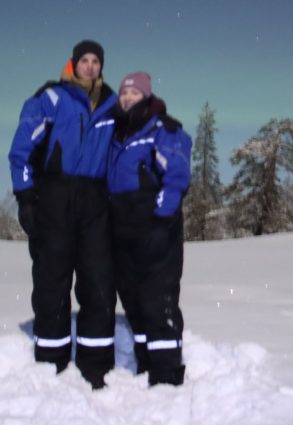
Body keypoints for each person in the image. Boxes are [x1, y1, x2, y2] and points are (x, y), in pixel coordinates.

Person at [8, 39, 117, 389]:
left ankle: (95, 364)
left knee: (98, 280)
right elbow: (21, 151)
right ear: (73, 64)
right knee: (52, 279)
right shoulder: (51, 98)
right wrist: (25, 197)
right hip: (55, 196)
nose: (89, 66)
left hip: (95, 201)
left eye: (95, 61)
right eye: (83, 60)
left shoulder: (112, 104)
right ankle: (51, 361)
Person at [107, 71, 192, 386]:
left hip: (155, 229)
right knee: (134, 301)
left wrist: (161, 217)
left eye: (134, 93)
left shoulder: (162, 128)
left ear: (146, 96)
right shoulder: (118, 134)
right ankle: (145, 365)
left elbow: (177, 176)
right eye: (124, 94)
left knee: (158, 301)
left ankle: (167, 375)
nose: (128, 98)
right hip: (123, 233)